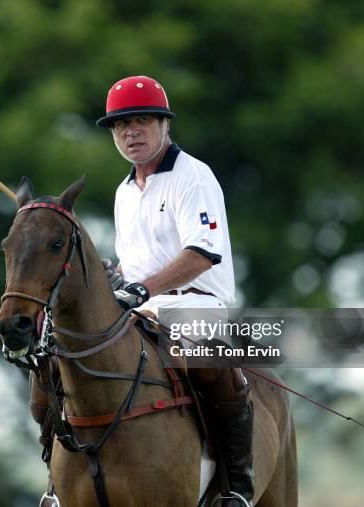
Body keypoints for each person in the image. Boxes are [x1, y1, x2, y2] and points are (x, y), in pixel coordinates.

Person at [97, 75, 254, 507]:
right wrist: (118, 278)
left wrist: (140, 289)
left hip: (197, 305)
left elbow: (202, 253)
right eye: (121, 125)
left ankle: (236, 484)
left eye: (142, 120)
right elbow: (137, 262)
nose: (131, 132)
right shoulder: (124, 192)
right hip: (139, 311)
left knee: (206, 357)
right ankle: (63, 482)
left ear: (165, 124)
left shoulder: (193, 176)